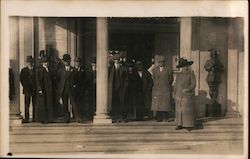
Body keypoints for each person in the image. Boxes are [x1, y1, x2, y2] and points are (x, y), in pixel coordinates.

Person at [57, 54, 81, 123]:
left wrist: (75, 85)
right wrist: (60, 88)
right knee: (65, 103)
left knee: (74, 103)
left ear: (70, 61)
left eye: (68, 60)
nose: (67, 62)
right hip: (63, 89)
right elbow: (58, 80)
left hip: (71, 89)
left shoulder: (73, 70)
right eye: (65, 61)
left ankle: (77, 117)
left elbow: (77, 79)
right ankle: (66, 117)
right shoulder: (60, 70)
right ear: (63, 62)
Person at [174, 58, 196, 131]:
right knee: (179, 110)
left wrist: (187, 89)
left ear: (188, 66)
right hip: (179, 94)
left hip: (187, 95)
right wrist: (174, 93)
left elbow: (193, 84)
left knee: (187, 110)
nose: (184, 67)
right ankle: (179, 124)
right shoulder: (179, 74)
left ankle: (188, 125)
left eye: (186, 66)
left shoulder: (191, 73)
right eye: (183, 66)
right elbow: (176, 84)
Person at [150, 55, 173, 122]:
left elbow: (171, 79)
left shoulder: (168, 70)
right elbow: (154, 79)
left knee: (165, 104)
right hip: (157, 89)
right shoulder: (154, 70)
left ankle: (165, 117)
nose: (161, 63)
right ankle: (159, 117)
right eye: (159, 62)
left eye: (162, 62)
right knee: (158, 104)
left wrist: (166, 85)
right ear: (157, 62)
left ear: (164, 62)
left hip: (165, 89)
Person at [108, 53, 128, 122]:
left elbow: (126, 80)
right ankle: (114, 117)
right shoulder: (110, 68)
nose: (116, 61)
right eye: (115, 60)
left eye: (117, 60)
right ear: (113, 60)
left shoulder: (124, 68)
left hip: (121, 88)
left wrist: (125, 87)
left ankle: (122, 117)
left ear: (119, 60)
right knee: (114, 103)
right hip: (113, 89)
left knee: (122, 103)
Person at [35, 56, 54, 123]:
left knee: (49, 103)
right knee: (43, 104)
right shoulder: (39, 69)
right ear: (42, 62)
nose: (46, 63)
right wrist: (39, 89)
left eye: (47, 62)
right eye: (45, 62)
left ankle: (49, 118)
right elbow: (38, 80)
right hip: (43, 89)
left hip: (49, 89)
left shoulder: (49, 69)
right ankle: (43, 119)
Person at [20, 56, 36, 123]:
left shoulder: (36, 70)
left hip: (34, 90)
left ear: (33, 62)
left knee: (35, 104)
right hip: (27, 90)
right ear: (27, 63)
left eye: (31, 62)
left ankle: (35, 118)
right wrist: (26, 87)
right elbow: (21, 79)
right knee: (27, 104)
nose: (30, 63)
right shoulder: (24, 70)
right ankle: (26, 118)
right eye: (29, 62)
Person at [72, 57, 86, 121]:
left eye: (78, 62)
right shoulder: (72, 70)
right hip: (74, 90)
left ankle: (80, 116)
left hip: (81, 90)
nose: (77, 63)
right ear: (74, 63)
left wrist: (83, 88)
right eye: (76, 62)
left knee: (81, 103)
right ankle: (75, 116)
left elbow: (85, 81)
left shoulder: (83, 70)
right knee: (74, 103)